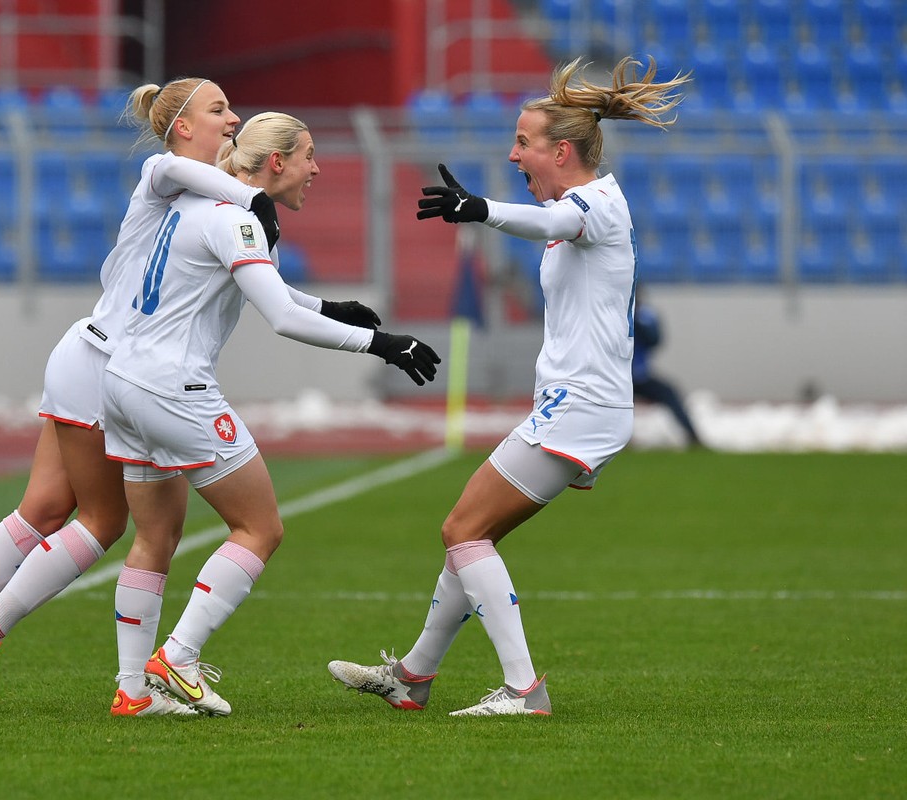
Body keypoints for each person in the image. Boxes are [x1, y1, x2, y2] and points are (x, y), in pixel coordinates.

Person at [0, 76, 283, 716]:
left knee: (44, 507)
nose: (233, 117)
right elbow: (166, 164)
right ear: (182, 124)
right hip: (111, 362)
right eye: (218, 109)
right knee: (105, 521)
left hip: (87, 349)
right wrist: (253, 196)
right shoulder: (172, 177)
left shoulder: (198, 193)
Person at [328, 56, 691, 716]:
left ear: (560, 150)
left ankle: (524, 690)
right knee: (473, 537)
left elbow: (551, 223)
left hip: (581, 410)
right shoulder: (579, 208)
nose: (512, 152)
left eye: (523, 142)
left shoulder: (597, 204)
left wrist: (480, 209)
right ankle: (413, 677)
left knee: (461, 529)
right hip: (572, 407)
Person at [101, 111, 442, 717]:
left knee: (154, 537)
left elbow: (269, 292)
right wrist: (385, 345)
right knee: (260, 528)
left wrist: (330, 307)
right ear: (277, 162)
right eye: (309, 155)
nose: (317, 168)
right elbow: (281, 317)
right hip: (173, 388)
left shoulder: (194, 204)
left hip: (122, 382)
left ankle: (132, 693)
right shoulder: (237, 218)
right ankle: (177, 658)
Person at [633, 292, 703, 447]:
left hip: (640, 375)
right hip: (617, 377)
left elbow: (655, 340)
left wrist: (636, 319)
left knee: (669, 392)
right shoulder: (611, 314)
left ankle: (693, 436)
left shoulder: (646, 315)